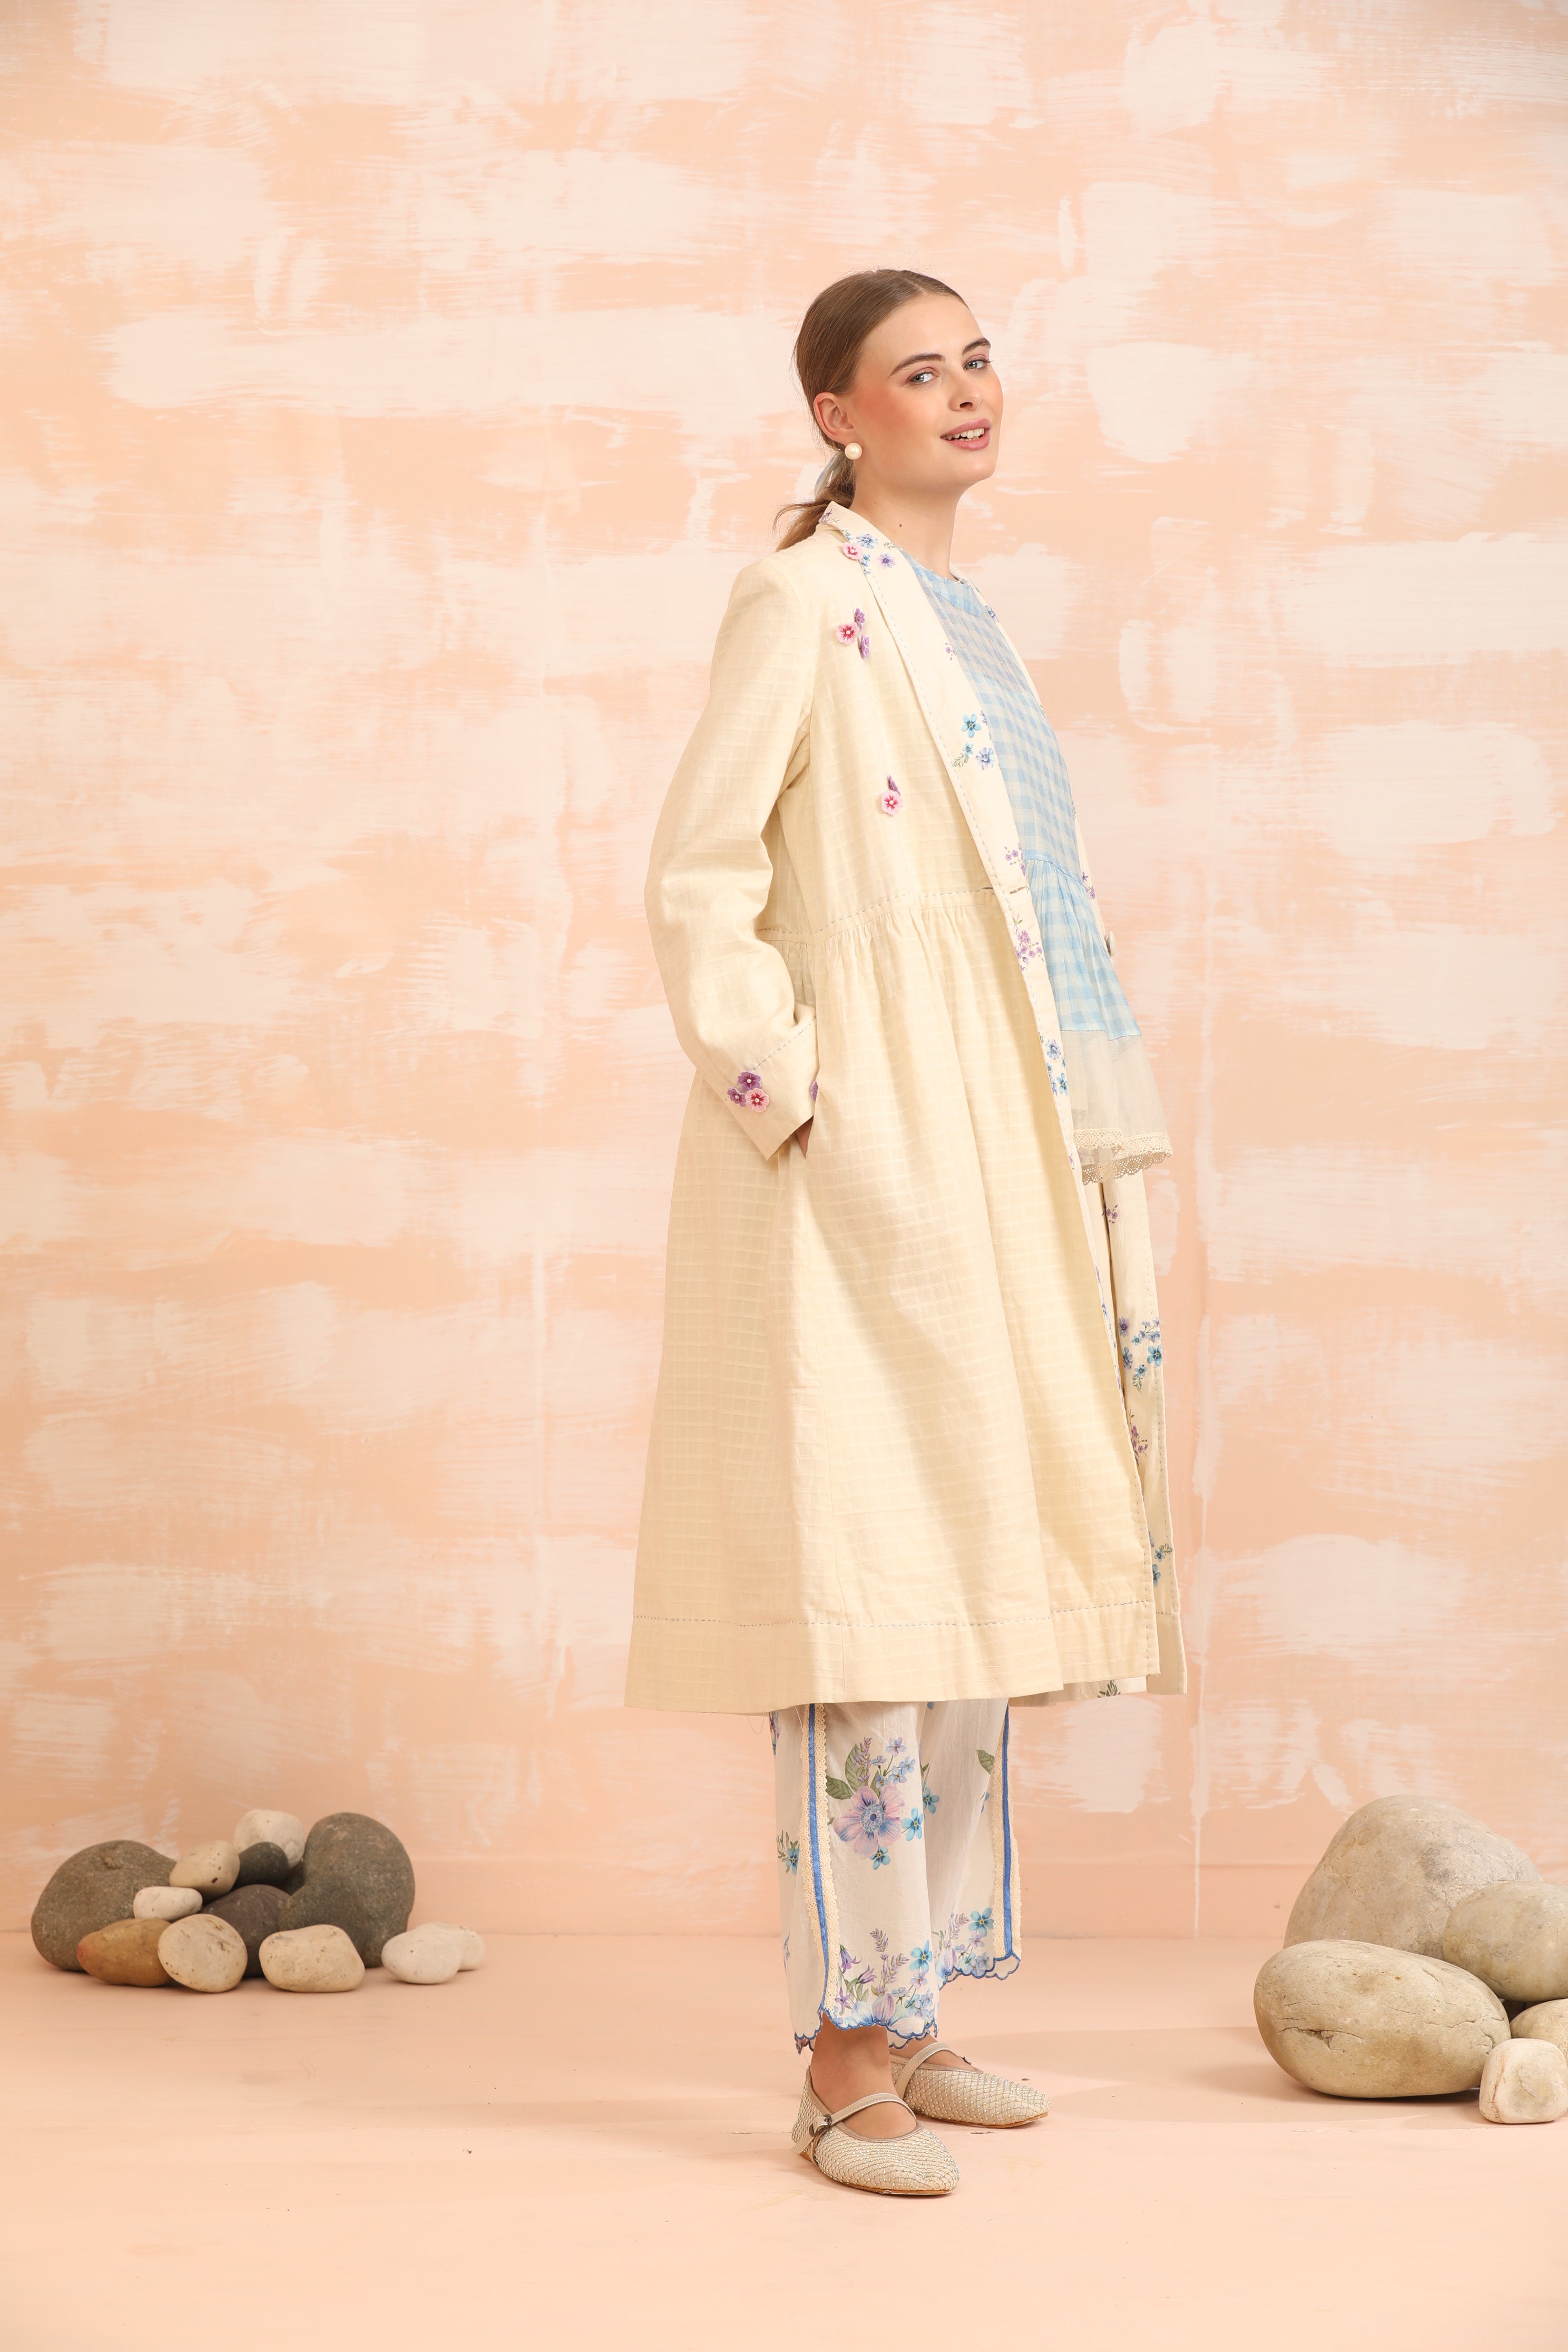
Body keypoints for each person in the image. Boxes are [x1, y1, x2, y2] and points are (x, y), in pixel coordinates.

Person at [626, 269, 1183, 2197]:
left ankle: (919, 2010)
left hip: (1007, 1141)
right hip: (867, 1145)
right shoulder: (801, 596)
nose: (966, 392)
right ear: (836, 415)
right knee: (869, 1581)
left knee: (975, 1572)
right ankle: (839, 2057)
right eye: (919, 370)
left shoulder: (971, 623)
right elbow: (701, 870)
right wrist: (792, 1095)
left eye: (980, 360)